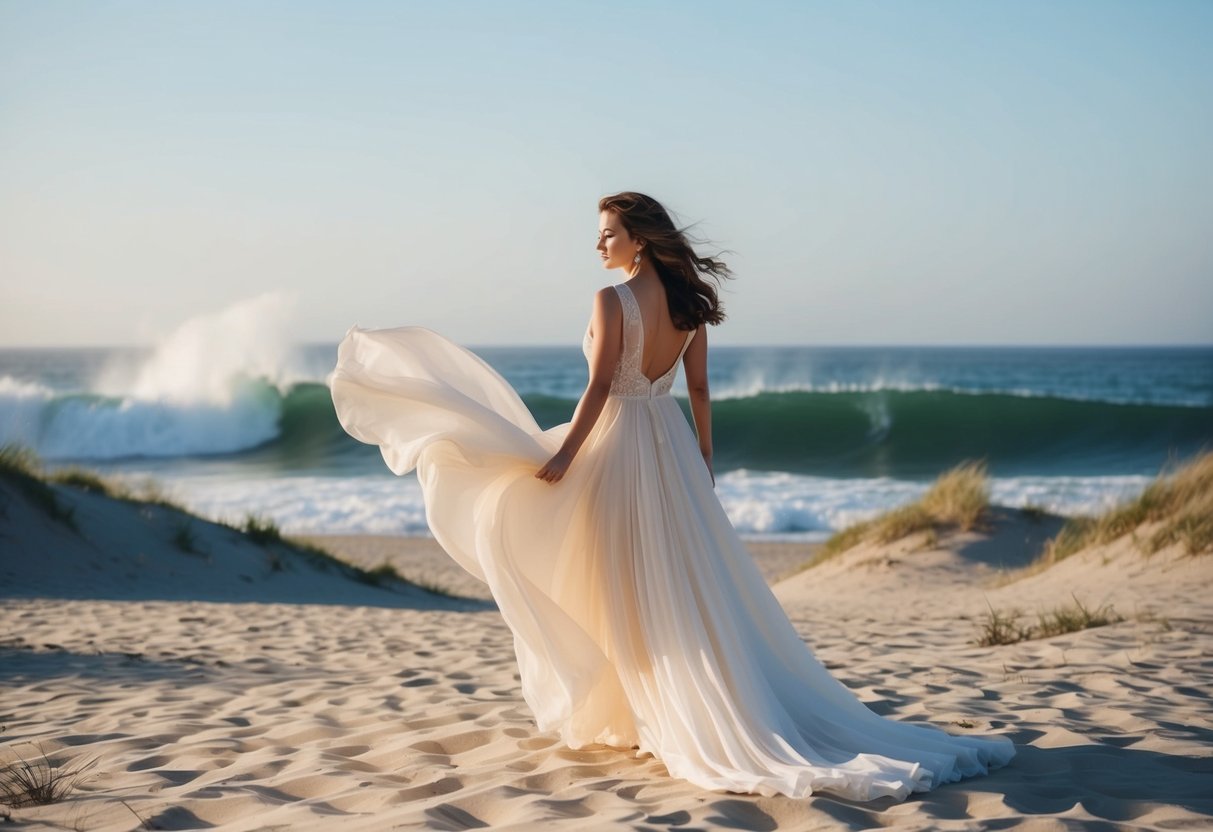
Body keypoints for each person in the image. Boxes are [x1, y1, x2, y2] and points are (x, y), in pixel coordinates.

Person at [329, 191, 1016, 802]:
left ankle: (650, 711)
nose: (597, 244)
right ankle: (640, 708)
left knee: (620, 578)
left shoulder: (610, 301)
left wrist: (565, 453)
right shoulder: (690, 305)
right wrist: (704, 454)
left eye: (606, 234)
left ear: (639, 239)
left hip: (618, 444)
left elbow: (600, 388)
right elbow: (698, 390)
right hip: (671, 446)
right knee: (677, 580)